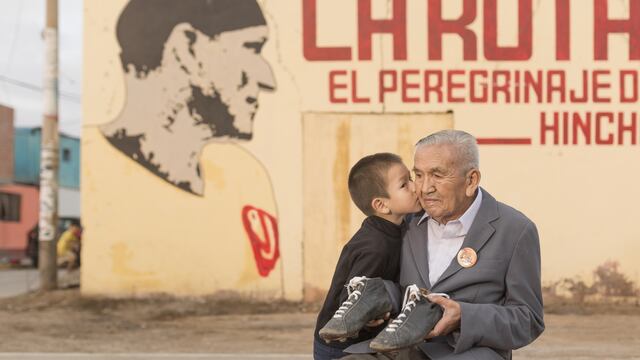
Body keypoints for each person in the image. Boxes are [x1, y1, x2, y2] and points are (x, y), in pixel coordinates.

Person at [343, 130, 544, 359]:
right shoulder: (406, 220)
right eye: (418, 175)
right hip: (399, 349)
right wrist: (379, 299)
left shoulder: (515, 230)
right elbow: (396, 287)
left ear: (471, 180)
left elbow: (528, 320)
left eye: (437, 175)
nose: (425, 188)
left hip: (467, 352)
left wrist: (464, 316)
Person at [100, 0, 276, 196]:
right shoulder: (94, 167)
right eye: (252, 48)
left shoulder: (245, 178)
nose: (269, 81)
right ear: (187, 50)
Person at [314, 153, 423, 360]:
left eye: (410, 178)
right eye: (404, 185)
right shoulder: (375, 246)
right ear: (382, 205)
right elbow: (354, 298)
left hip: (362, 342)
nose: (415, 186)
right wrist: (369, 316)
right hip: (341, 347)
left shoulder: (397, 227)